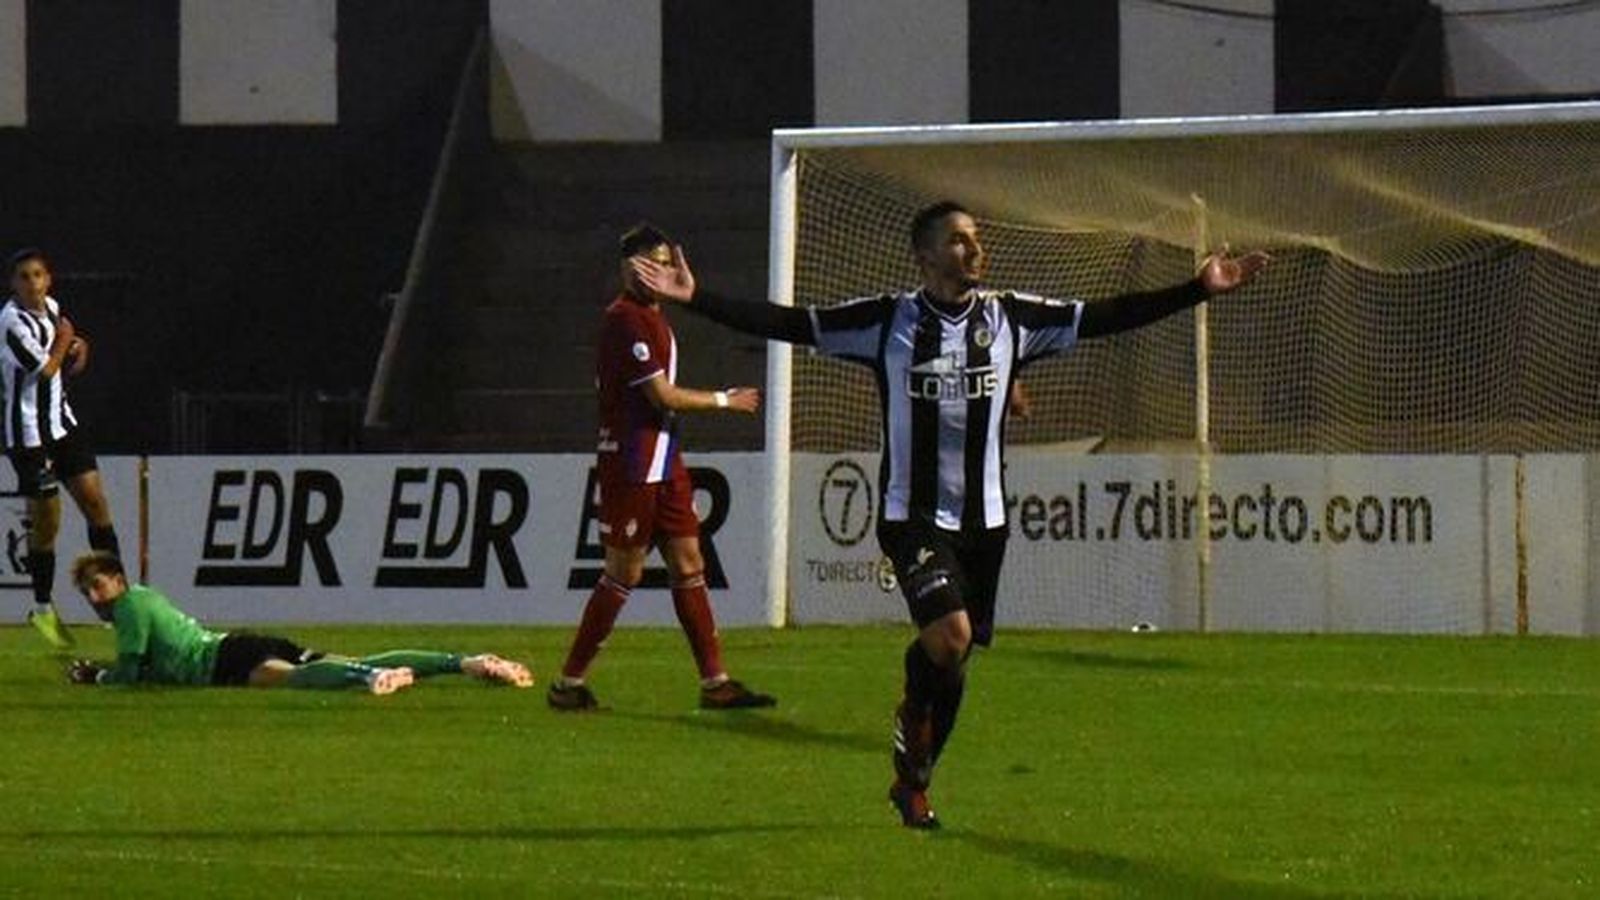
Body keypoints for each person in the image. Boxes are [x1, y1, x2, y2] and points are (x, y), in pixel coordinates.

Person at [631, 201, 1268, 828]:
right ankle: (913, 710)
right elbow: (793, 323)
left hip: (985, 523)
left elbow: (1106, 316)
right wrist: (698, 298)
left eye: (975, 237)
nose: (973, 248)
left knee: (956, 661)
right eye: (958, 239)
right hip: (911, 516)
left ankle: (913, 782)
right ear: (925, 255)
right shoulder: (888, 321)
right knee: (950, 637)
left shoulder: (1009, 318)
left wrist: (1197, 290)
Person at [547, 223, 777, 713]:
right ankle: (568, 683)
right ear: (628, 267)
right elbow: (662, 396)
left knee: (690, 563)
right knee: (623, 573)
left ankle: (715, 682)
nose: (659, 271)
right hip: (631, 463)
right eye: (650, 262)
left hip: (664, 461)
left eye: (665, 262)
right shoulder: (625, 320)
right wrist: (725, 399)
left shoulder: (652, 317)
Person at [65, 551, 533, 694]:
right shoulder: (144, 598)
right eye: (87, 592)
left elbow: (130, 672)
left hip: (222, 662)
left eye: (98, 586)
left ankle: (368, 678)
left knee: (294, 679)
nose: (94, 597)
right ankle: (467, 663)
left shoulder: (127, 608)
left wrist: (97, 676)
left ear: (118, 580)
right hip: (237, 645)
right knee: (343, 661)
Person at [2, 248, 122, 650]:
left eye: (38, 275)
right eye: (23, 277)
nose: (32, 283)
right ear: (13, 284)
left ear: (48, 279)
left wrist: (78, 345)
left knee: (95, 503)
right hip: (28, 436)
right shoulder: (11, 322)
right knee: (48, 519)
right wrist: (66, 339)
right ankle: (42, 606)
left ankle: (120, 602)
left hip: (61, 425)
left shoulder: (52, 309)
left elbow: (63, 349)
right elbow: (46, 370)